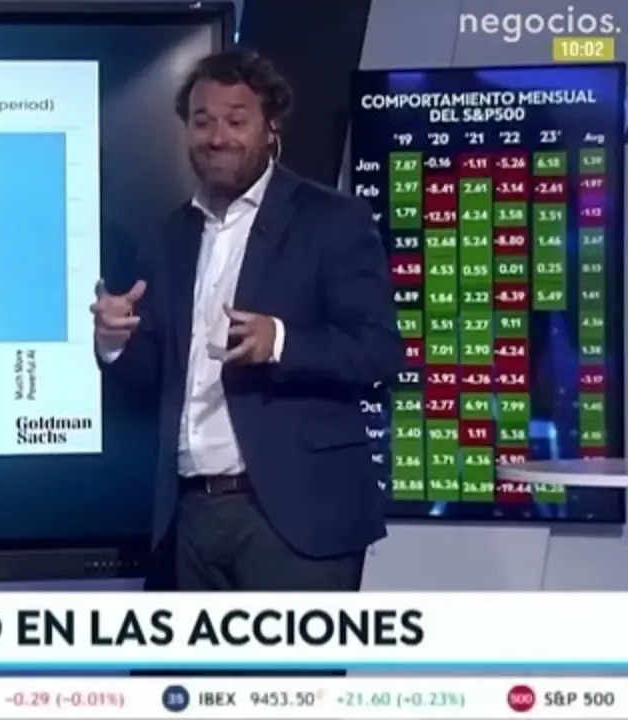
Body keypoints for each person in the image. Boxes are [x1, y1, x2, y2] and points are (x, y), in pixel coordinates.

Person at [92, 49, 404, 595]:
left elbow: (378, 350)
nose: (217, 137)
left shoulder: (331, 220)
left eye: (236, 121)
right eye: (202, 121)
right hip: (189, 518)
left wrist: (279, 341)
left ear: (270, 127)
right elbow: (155, 375)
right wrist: (113, 343)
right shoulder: (167, 239)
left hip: (295, 521)